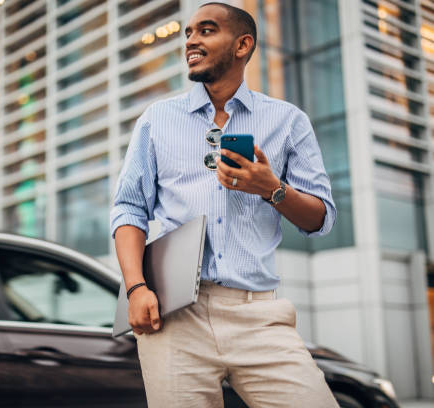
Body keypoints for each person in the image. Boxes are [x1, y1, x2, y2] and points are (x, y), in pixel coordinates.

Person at [110, 2, 340, 408]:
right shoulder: (156, 119)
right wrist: (135, 287)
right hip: (175, 315)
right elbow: (129, 209)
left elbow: (321, 217)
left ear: (242, 44)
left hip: (259, 316)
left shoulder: (288, 121)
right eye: (189, 33)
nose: (192, 41)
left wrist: (273, 188)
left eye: (207, 30)